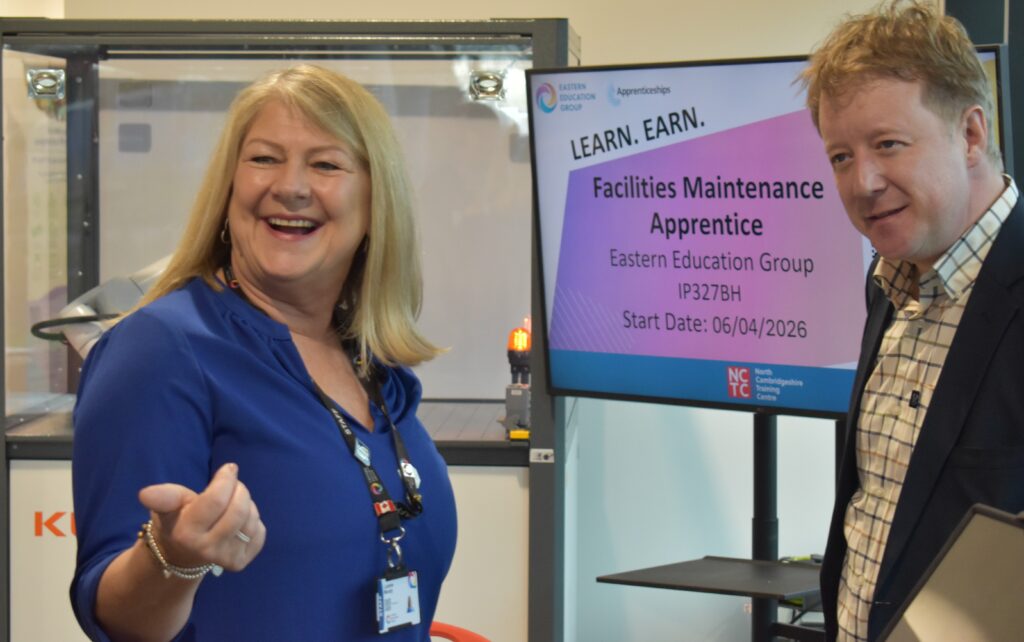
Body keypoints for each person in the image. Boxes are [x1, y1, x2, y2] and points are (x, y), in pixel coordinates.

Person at [70, 64, 458, 641]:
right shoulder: (160, 351)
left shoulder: (369, 362)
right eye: (263, 159)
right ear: (229, 188)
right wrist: (172, 558)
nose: (291, 186)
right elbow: (116, 617)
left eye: (325, 164)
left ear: (377, 202)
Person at [800, 2, 1024, 640]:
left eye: (888, 145)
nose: (862, 181)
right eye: (840, 157)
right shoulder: (890, 285)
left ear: (971, 135)